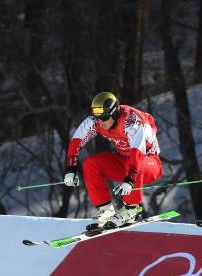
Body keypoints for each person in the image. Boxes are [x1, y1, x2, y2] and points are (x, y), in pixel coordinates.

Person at [63, 92, 162, 229]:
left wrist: (129, 180)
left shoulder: (131, 121)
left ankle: (131, 210)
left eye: (104, 118)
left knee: (131, 161)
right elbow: (76, 141)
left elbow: (137, 154)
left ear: (114, 113)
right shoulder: (95, 121)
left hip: (149, 164)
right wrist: (70, 169)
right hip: (126, 164)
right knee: (90, 164)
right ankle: (106, 211)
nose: (100, 122)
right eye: (97, 118)